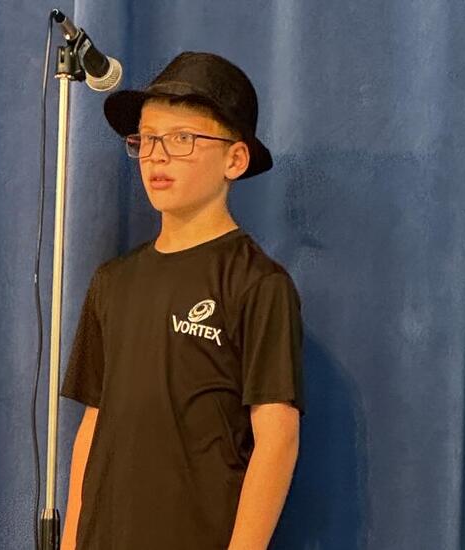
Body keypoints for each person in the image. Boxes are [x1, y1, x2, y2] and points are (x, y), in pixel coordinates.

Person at [60, 51, 305, 550]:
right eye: (147, 140)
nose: (157, 156)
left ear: (234, 159)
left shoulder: (258, 284)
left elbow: (277, 436)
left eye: (182, 139)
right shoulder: (112, 281)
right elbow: (94, 424)